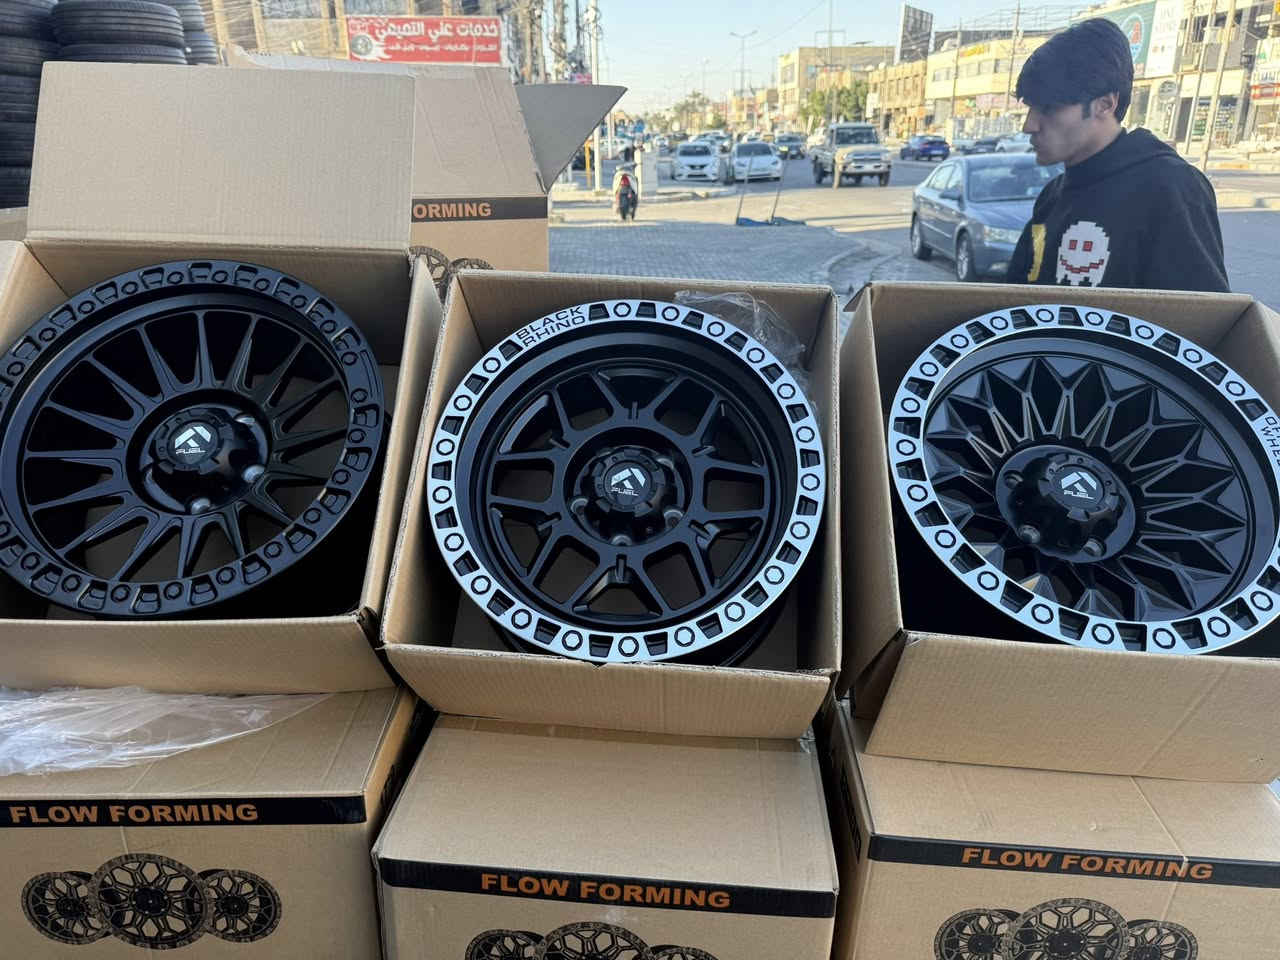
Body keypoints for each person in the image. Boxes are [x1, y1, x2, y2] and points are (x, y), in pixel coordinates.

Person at [1006, 18, 1229, 291]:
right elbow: (1016, 296)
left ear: (1105, 104)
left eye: (1048, 109)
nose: (1029, 125)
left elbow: (1200, 309)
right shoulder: (1051, 197)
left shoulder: (1170, 187)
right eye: (1030, 108)